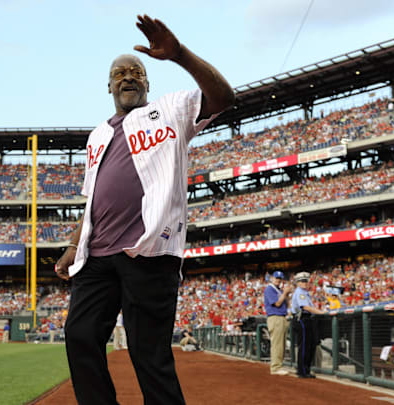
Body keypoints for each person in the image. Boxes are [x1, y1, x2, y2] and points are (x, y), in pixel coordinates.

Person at [53, 14, 234, 405]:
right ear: (109, 85)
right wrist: (73, 244)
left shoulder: (171, 109)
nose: (128, 77)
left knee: (148, 355)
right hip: (96, 254)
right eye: (119, 73)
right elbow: (94, 196)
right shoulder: (97, 135)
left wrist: (180, 55)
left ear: (147, 82)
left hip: (148, 252)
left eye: (136, 71)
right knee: (80, 336)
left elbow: (224, 97)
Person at [291, 271, 326, 378]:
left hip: (307, 319)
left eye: (306, 281)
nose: (305, 283)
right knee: (305, 346)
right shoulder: (300, 292)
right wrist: (321, 312)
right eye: (302, 281)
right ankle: (302, 371)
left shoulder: (305, 292)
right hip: (301, 319)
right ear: (297, 282)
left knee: (310, 346)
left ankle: (306, 369)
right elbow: (305, 307)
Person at [264, 271, 292, 376]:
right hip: (275, 317)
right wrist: (284, 293)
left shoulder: (279, 290)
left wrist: (287, 294)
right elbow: (277, 303)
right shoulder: (269, 289)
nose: (278, 280)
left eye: (280, 278)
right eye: (276, 278)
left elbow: (288, 305)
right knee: (277, 344)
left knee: (282, 344)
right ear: (272, 278)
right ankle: (275, 367)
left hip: (282, 317)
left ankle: (278, 365)